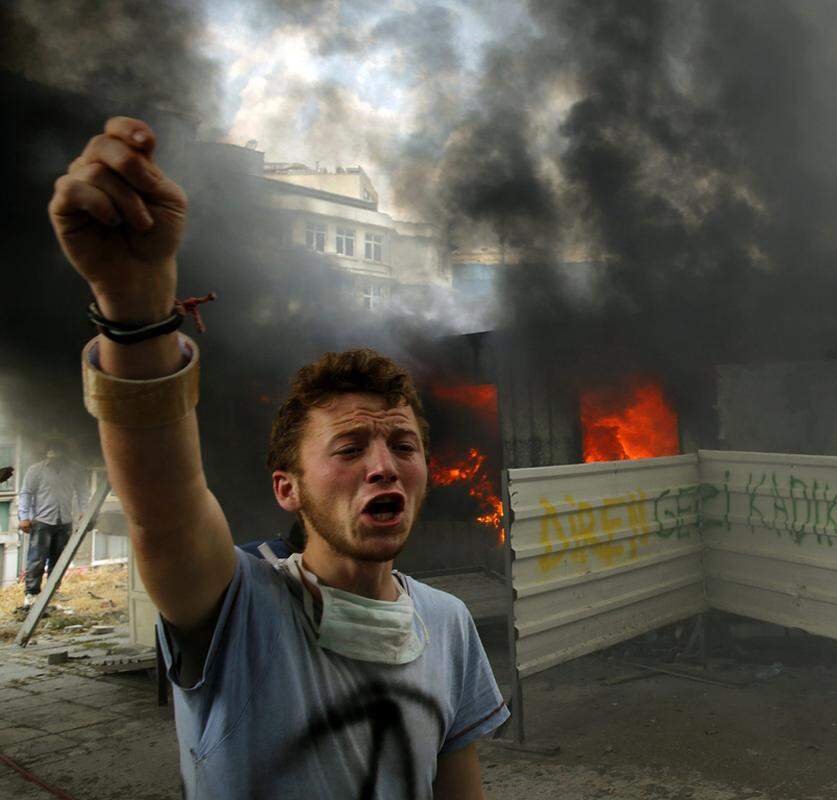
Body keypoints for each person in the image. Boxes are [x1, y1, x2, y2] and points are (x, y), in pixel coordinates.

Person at [48, 117, 506, 798]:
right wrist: (137, 308)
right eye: (349, 447)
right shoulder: (236, 606)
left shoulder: (448, 623)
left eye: (403, 445)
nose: (384, 465)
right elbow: (164, 512)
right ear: (286, 489)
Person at [17, 440, 89, 607]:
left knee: (59, 560)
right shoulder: (36, 470)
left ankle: (53, 591)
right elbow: (26, 493)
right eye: (52, 455)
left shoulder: (75, 469)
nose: (55, 458)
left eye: (58, 455)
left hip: (65, 521)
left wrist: (84, 510)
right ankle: (31, 594)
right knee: (37, 560)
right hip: (42, 521)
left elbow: (82, 491)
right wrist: (24, 517)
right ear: (47, 454)